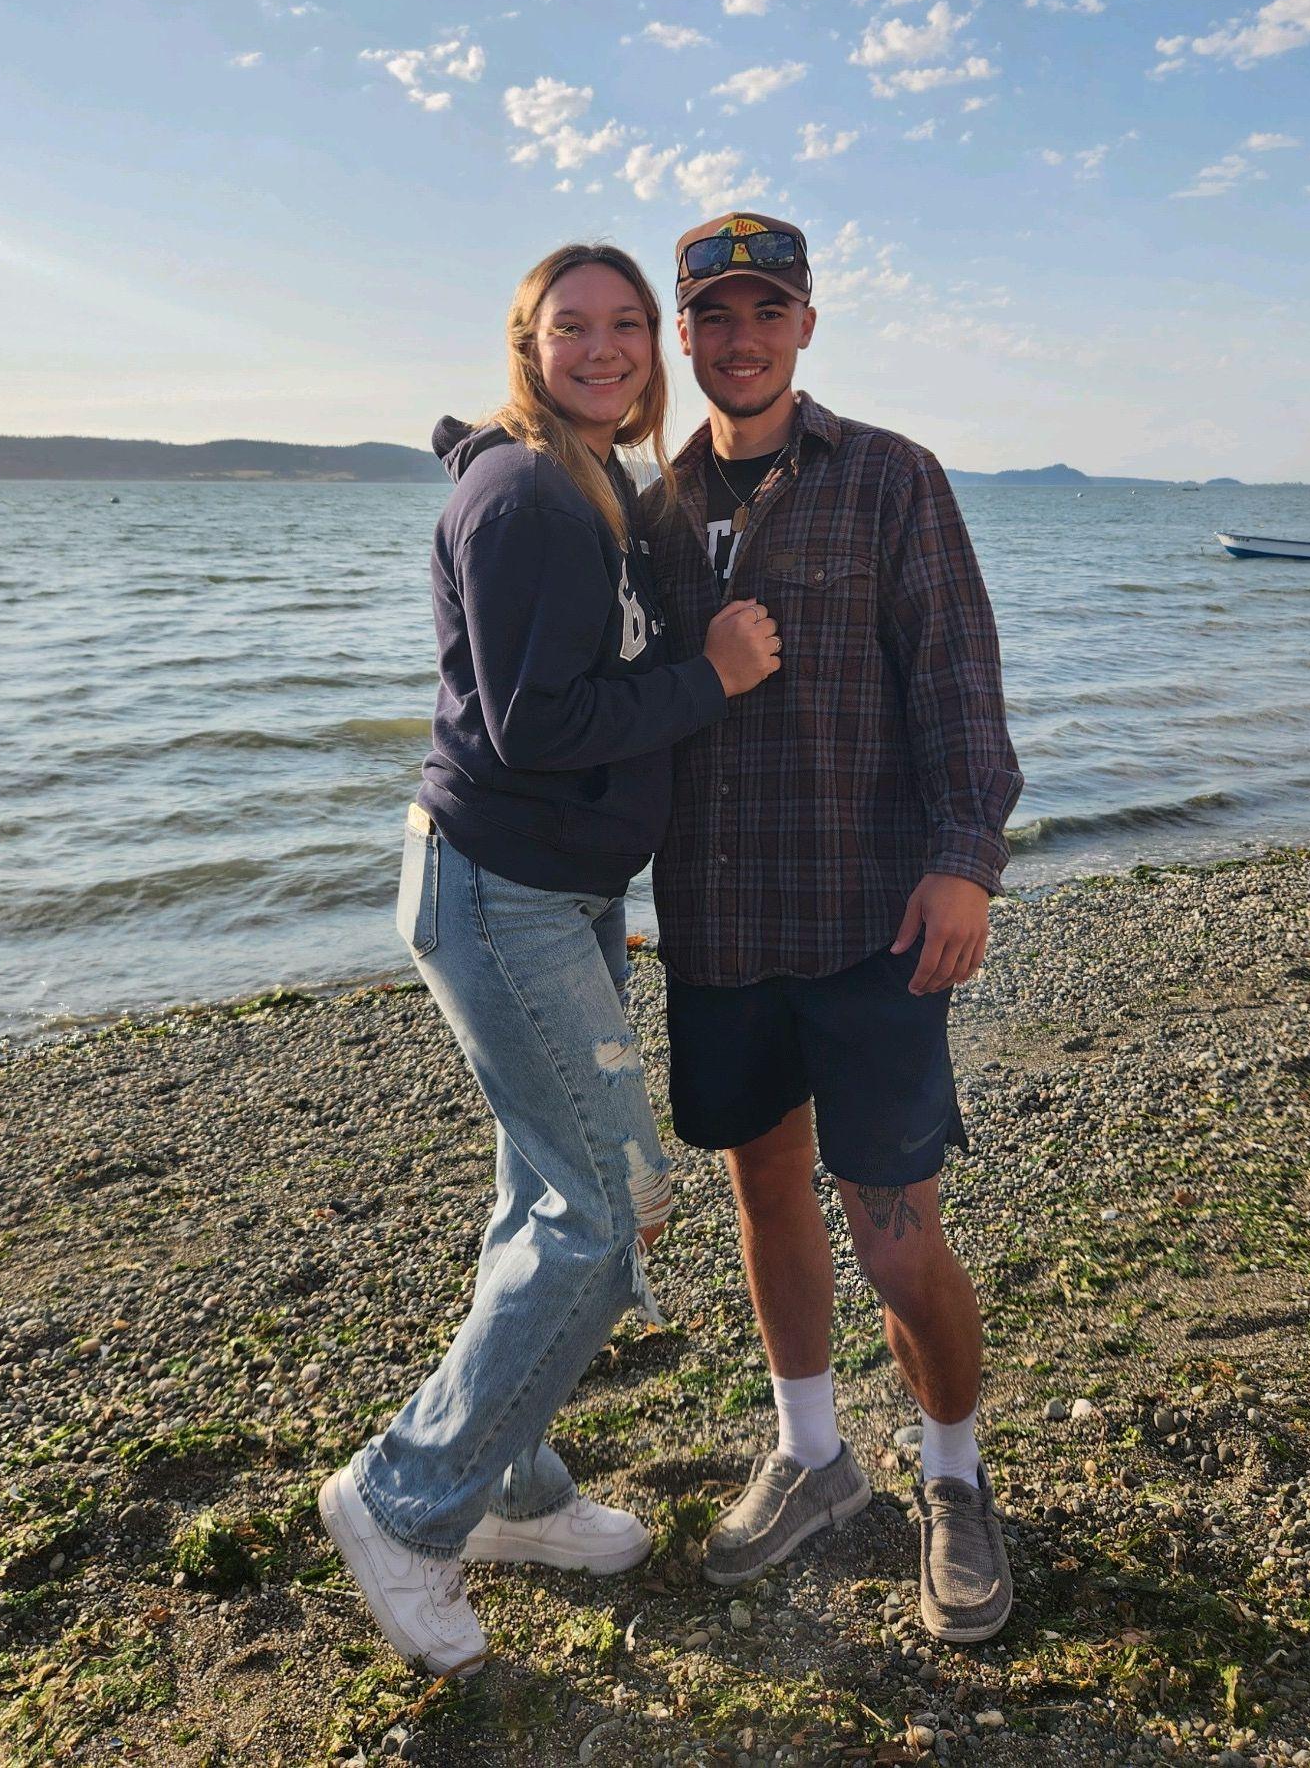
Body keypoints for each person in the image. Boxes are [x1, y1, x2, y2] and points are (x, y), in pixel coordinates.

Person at [318, 241, 783, 1678]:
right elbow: (533, 726)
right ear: (527, 345)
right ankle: (405, 1502)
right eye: (572, 326)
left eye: (628, 324)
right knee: (606, 1207)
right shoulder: (526, 493)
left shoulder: (589, 484)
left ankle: (514, 1492)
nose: (607, 348)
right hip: (502, 888)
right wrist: (713, 678)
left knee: (542, 1196)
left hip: (555, 889)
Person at [645, 212, 1027, 1645]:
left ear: (807, 322)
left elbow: (959, 681)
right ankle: (813, 1454)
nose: (740, 338)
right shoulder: (655, 510)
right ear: (685, 333)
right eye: (715, 315)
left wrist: (965, 862)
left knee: (894, 1228)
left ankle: (955, 1475)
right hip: (720, 924)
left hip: (872, 920)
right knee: (765, 1193)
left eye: (768, 310)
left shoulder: (889, 477)